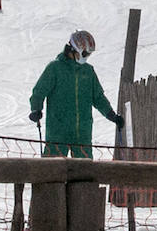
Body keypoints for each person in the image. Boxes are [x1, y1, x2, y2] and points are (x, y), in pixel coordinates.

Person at [28, 30, 123, 159]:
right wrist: (36, 109)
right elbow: (39, 91)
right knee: (52, 170)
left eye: (89, 54)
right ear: (74, 49)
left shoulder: (88, 71)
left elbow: (98, 97)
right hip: (58, 132)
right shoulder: (55, 68)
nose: (87, 57)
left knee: (84, 171)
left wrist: (111, 115)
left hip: (82, 132)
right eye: (84, 53)